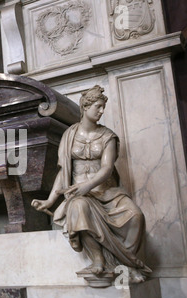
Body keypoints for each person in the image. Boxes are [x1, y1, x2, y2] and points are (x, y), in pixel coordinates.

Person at [32, 85, 151, 283]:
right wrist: (50, 200)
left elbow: (106, 169)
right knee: (79, 208)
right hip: (80, 196)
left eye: (103, 107)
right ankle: (98, 259)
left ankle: (127, 262)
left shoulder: (108, 137)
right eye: (98, 107)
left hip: (107, 193)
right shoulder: (69, 135)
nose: (102, 111)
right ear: (85, 107)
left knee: (136, 216)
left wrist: (88, 185)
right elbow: (64, 170)